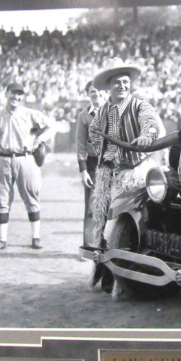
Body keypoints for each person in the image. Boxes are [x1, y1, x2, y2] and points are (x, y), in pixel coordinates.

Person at [88, 59, 164, 255]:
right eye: (117, 82)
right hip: (112, 174)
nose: (122, 86)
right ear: (108, 86)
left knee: (132, 222)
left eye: (125, 82)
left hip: (138, 173)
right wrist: (107, 155)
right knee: (104, 222)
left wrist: (147, 135)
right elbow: (95, 133)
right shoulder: (103, 111)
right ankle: (106, 269)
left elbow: (151, 122)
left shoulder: (140, 106)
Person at [0, 81, 57, 251]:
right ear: (6, 94)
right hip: (3, 158)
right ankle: (2, 239)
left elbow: (52, 126)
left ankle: (36, 237)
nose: (16, 97)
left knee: (32, 196)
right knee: (2, 198)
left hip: (25, 158)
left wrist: (38, 139)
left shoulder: (30, 114)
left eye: (19, 94)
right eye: (13, 93)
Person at [75, 80, 105, 247]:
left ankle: (109, 245)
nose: (96, 94)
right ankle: (89, 245)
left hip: (113, 163)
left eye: (99, 91)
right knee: (92, 206)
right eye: (92, 91)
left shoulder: (114, 111)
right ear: (88, 94)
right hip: (93, 165)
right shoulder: (84, 115)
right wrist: (83, 170)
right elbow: (80, 145)